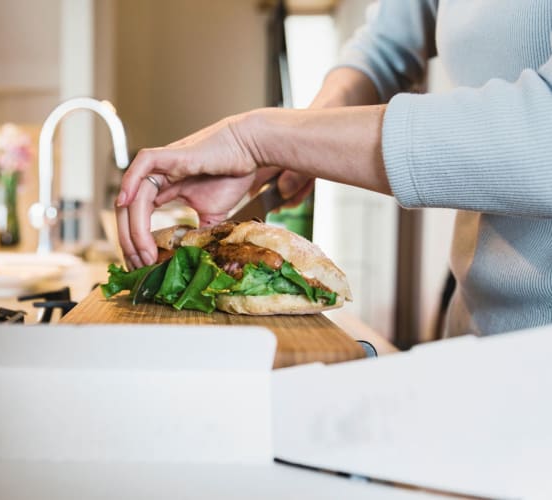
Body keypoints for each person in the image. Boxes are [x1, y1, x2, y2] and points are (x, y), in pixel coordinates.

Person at [115, 0, 552, 338]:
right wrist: (298, 146)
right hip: (473, 334)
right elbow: (382, 49)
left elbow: (540, 136)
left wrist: (261, 136)